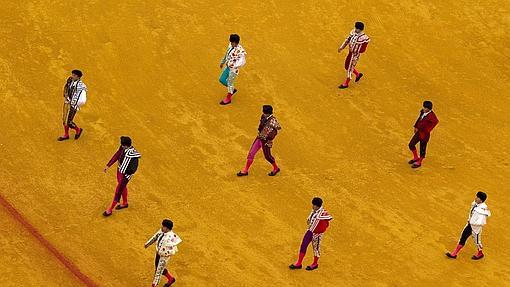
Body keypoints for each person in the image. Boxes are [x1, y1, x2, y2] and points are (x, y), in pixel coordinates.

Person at [289, 197, 332, 271]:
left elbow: (329, 217)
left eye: (313, 205)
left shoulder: (322, 213)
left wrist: (320, 218)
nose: (312, 206)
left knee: (316, 248)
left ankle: (315, 264)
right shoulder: (314, 211)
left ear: (316, 206)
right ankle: (299, 263)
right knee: (303, 245)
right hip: (310, 231)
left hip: (317, 234)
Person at [237, 105, 281, 177]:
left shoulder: (273, 121)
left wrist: (269, 139)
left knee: (268, 156)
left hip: (266, 141)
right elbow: (260, 125)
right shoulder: (263, 116)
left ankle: (276, 168)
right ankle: (245, 170)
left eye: (264, 112)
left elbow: (275, 132)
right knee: (251, 153)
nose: (263, 113)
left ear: (267, 113)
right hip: (259, 138)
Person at [102, 136, 141, 217]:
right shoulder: (123, 147)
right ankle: (125, 203)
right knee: (122, 188)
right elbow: (117, 155)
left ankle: (110, 210)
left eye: (122, 146)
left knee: (118, 190)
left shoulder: (132, 156)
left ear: (126, 146)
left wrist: (125, 173)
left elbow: (133, 169)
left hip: (125, 175)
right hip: (119, 171)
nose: (121, 147)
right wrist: (108, 165)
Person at [446, 192, 491, 260]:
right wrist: (469, 220)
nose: (476, 198)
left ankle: (480, 253)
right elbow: (471, 212)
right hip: (469, 226)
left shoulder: (482, 210)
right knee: (463, 237)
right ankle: (454, 254)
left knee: (477, 242)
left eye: (477, 197)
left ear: (481, 200)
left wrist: (472, 222)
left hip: (476, 229)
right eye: (476, 196)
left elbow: (481, 222)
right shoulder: (475, 204)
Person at [145, 219, 182, 287]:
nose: (161, 227)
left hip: (164, 257)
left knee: (158, 272)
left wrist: (162, 254)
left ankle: (154, 285)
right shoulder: (162, 231)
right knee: (158, 268)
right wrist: (148, 244)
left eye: (163, 226)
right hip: (158, 253)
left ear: (167, 228)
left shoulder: (170, 238)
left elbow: (171, 251)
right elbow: (156, 236)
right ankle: (171, 279)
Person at [338, 22, 370, 89]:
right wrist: (342, 47)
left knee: (349, 68)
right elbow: (347, 40)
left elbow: (362, 50)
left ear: (360, 29)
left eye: (357, 28)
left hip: (355, 55)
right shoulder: (353, 32)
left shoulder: (363, 38)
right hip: (350, 53)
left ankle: (346, 84)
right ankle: (358, 75)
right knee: (347, 66)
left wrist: (353, 50)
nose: (355, 29)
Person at [408, 101, 439, 168]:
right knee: (411, 144)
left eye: (425, 108)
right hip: (419, 132)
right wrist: (416, 126)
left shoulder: (432, 116)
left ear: (429, 109)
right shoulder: (423, 111)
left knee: (422, 148)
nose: (424, 109)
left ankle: (419, 162)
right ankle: (416, 157)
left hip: (425, 135)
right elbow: (419, 119)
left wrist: (427, 130)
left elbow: (435, 122)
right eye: (424, 107)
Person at [58, 70, 87, 141]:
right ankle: (66, 134)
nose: (72, 76)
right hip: (67, 102)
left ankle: (78, 130)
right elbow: (66, 87)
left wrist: (75, 104)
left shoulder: (81, 86)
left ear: (78, 77)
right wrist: (66, 96)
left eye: (74, 75)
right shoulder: (70, 80)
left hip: (73, 105)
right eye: (72, 74)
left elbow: (82, 99)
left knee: (69, 122)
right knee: (64, 119)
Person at [219, 34, 247, 105]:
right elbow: (227, 54)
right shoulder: (230, 45)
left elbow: (243, 61)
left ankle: (228, 99)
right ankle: (232, 90)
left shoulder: (241, 51)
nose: (231, 44)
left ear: (235, 42)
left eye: (232, 42)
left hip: (233, 70)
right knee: (222, 80)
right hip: (228, 67)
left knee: (230, 83)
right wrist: (223, 62)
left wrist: (234, 65)